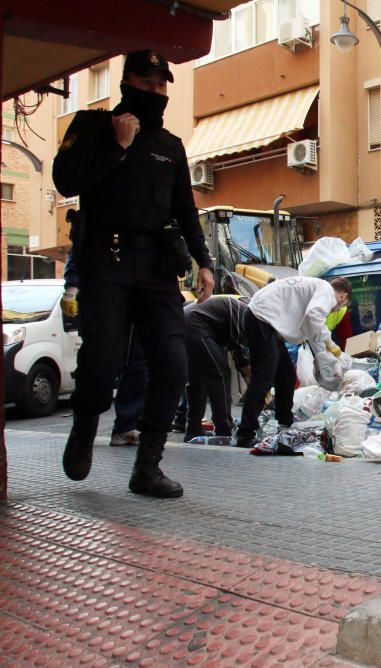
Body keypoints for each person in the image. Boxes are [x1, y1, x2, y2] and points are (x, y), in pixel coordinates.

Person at [53, 49, 215, 499]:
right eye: (147, 83)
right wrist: (116, 147)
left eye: (162, 86)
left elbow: (185, 208)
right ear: (127, 84)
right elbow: (66, 181)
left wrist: (204, 261)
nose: (156, 93)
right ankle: (85, 428)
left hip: (157, 267)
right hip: (106, 261)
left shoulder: (170, 146)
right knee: (102, 360)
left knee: (172, 363)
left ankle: (148, 467)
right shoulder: (92, 127)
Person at [234, 276, 347, 449]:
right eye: (342, 306)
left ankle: (285, 423)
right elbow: (314, 316)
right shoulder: (327, 290)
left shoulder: (317, 288)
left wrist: (321, 355)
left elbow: (311, 327)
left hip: (264, 320)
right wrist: (330, 343)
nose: (336, 310)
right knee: (263, 379)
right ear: (343, 296)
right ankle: (245, 433)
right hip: (261, 319)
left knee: (286, 375)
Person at [63, 247, 147, 447]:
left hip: (139, 293)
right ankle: (86, 422)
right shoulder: (101, 225)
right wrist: (72, 285)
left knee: (139, 364)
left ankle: (126, 427)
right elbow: (81, 247)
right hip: (104, 294)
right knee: (101, 361)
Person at [183, 296, 250, 443]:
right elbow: (238, 347)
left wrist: (246, 369)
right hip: (195, 326)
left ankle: (193, 430)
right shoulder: (245, 312)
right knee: (219, 375)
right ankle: (223, 428)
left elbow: (237, 347)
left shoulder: (238, 308)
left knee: (197, 382)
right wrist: (248, 372)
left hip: (187, 324)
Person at [325, 277, 353, 348]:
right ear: (343, 296)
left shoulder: (342, 311)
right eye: (343, 304)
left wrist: (345, 356)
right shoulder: (318, 302)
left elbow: (345, 338)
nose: (339, 309)